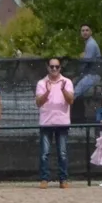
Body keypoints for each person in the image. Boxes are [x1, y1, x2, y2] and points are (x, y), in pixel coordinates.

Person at [36, 57, 74, 189]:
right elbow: (38, 103)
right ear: (47, 67)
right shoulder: (41, 83)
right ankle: (44, 179)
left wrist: (63, 90)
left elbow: (70, 101)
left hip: (62, 122)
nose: (54, 69)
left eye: (56, 67)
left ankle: (63, 179)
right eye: (51, 66)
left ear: (60, 68)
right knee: (44, 153)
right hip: (46, 122)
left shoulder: (67, 82)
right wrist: (47, 91)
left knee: (62, 153)